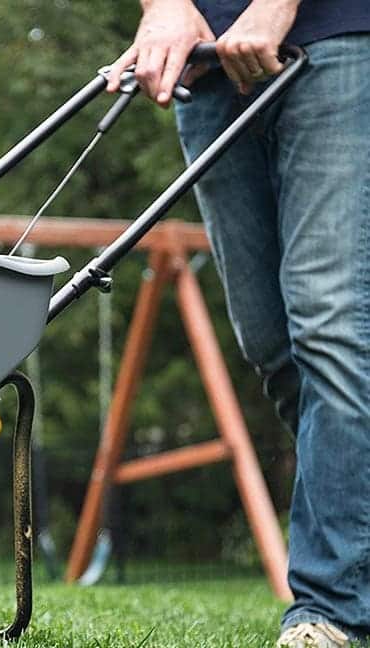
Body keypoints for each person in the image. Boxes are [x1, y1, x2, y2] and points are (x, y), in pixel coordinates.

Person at [105, 1, 370, 646]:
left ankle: (329, 608)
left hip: (334, 36)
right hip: (206, 66)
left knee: (330, 326)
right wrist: (165, 8)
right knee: (273, 344)